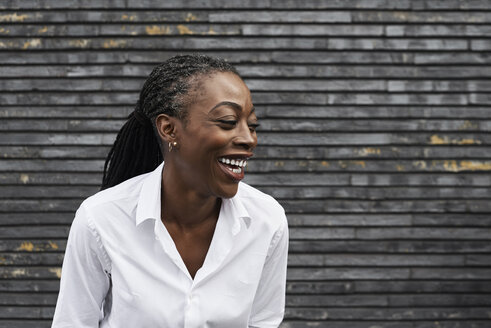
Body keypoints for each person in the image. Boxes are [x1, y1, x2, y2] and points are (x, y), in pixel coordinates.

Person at [51, 54, 289, 328]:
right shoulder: (101, 219)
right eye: (227, 121)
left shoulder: (267, 221)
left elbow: (263, 322)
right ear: (168, 129)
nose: (248, 138)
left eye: (252, 125)